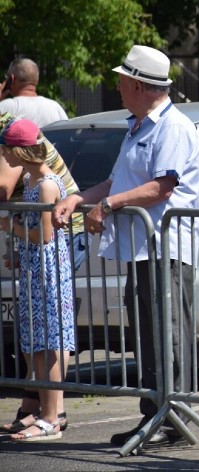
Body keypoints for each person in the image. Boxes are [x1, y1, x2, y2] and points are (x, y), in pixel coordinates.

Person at [52, 44, 199, 449]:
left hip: (165, 248)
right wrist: (79, 198)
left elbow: (161, 187)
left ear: (139, 84)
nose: (117, 88)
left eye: (122, 81)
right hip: (142, 249)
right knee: (148, 338)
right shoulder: (140, 125)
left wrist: (108, 204)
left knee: (167, 335)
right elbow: (117, 183)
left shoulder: (172, 127)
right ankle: (154, 416)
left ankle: (172, 420)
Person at [0, 112, 87, 437]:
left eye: (6, 149)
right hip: (36, 270)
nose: (4, 156)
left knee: (49, 340)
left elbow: (47, 236)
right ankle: (44, 413)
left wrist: (13, 227)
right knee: (34, 340)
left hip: (49, 273)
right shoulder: (31, 181)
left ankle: (51, 417)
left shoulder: (49, 185)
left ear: (20, 151)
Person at [0, 59, 68, 127]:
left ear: (12, 79)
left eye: (7, 77)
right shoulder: (56, 107)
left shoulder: (6, 107)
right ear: (36, 80)